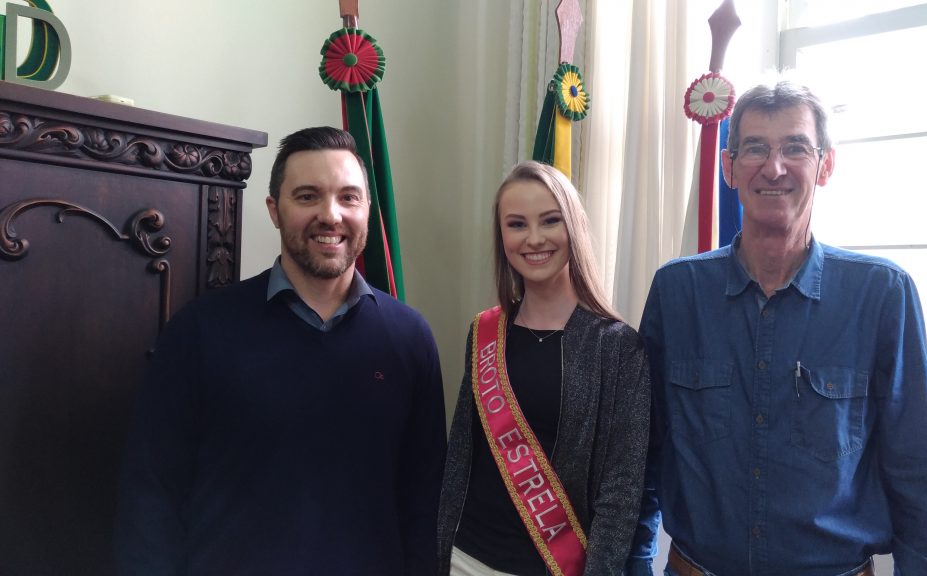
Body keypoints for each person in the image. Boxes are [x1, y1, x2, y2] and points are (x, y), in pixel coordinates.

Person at [627, 82, 927, 575]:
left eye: (795, 147)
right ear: (728, 167)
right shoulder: (677, 292)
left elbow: (918, 472)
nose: (774, 168)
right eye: (755, 148)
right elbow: (641, 453)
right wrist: (632, 563)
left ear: (825, 165)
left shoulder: (881, 295)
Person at [114, 126, 446, 575]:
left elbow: (425, 501)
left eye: (348, 197)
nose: (330, 215)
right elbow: (151, 494)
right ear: (275, 209)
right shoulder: (201, 330)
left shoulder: (410, 339)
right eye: (307, 196)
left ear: (368, 209)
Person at [437, 161, 650, 576]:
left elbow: (622, 490)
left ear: (574, 226)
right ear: (502, 237)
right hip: (466, 558)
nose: (534, 238)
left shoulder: (618, 347)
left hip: (557, 565)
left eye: (550, 220)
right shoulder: (484, 331)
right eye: (517, 224)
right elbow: (461, 454)